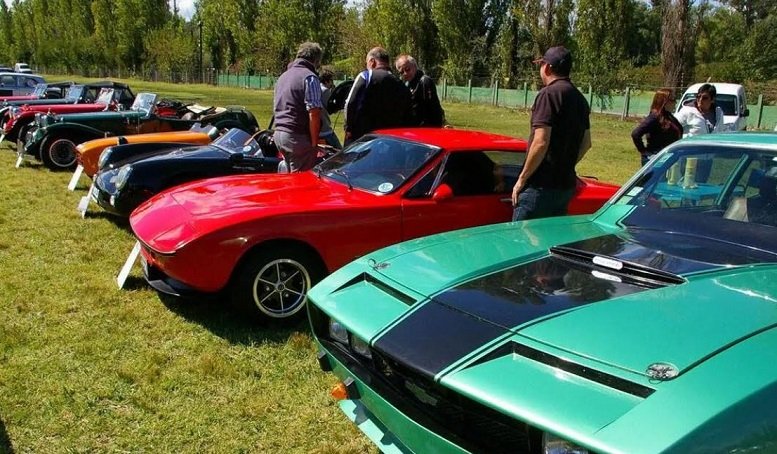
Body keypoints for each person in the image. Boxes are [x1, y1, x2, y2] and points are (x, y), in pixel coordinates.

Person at [510, 46, 591, 221]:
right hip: (565, 187)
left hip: (539, 187)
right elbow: (586, 143)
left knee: (522, 242)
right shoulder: (580, 99)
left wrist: (522, 180)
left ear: (547, 67)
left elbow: (540, 142)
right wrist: (564, 165)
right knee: (548, 242)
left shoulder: (548, 94)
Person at [272, 42, 324, 172]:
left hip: (279, 133)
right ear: (316, 60)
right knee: (301, 181)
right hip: (296, 136)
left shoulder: (283, 76)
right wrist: (313, 143)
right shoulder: (310, 77)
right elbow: (314, 112)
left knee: (288, 176)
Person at [343, 47, 411, 145]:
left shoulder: (366, 76)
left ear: (372, 61)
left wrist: (348, 128)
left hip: (361, 139)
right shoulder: (400, 84)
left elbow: (350, 103)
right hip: (388, 141)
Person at [630, 88, 682, 166]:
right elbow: (636, 134)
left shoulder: (668, 116)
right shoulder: (655, 117)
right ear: (664, 101)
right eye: (672, 99)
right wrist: (644, 152)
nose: (675, 102)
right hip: (655, 158)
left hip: (667, 157)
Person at [394, 54, 445, 127]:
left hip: (426, 130)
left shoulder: (424, 81)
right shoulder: (407, 84)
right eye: (401, 72)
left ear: (415, 66)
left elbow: (434, 109)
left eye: (408, 69)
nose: (405, 73)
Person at [318, 67, 342, 149]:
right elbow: (332, 109)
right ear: (327, 81)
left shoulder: (316, 89)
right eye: (331, 80)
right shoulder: (325, 91)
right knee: (339, 151)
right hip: (325, 130)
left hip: (317, 130)